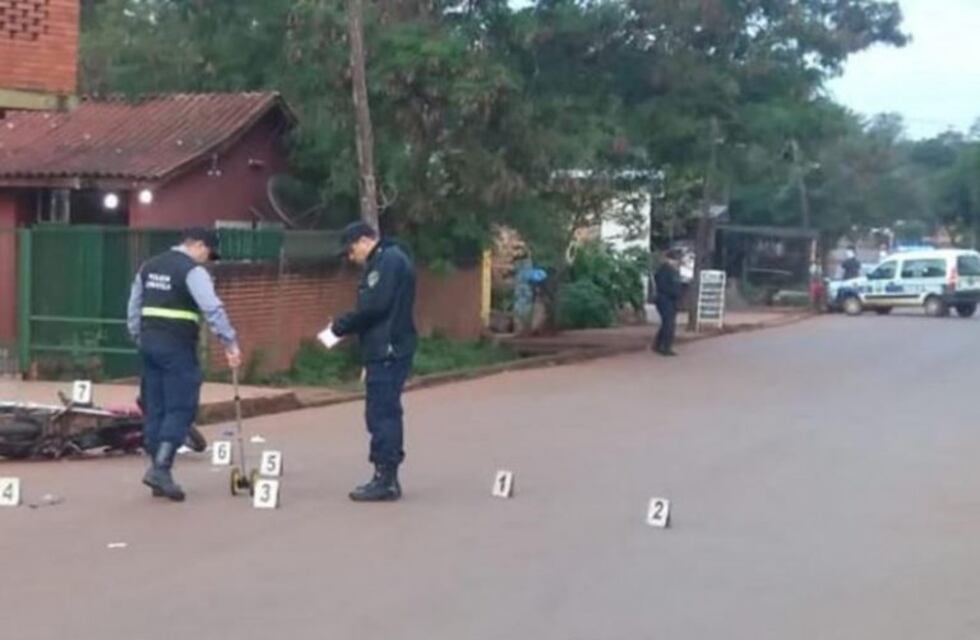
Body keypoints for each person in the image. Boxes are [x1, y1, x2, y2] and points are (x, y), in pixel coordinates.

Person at [127, 228, 241, 501]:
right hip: (177, 346)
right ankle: (162, 469)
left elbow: (134, 307)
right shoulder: (192, 271)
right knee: (181, 405)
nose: (207, 260)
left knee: (155, 407)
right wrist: (230, 342)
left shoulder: (149, 266)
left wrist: (138, 337)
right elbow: (212, 308)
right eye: (208, 255)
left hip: (150, 344)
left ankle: (156, 470)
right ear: (199, 246)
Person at [331, 222, 417, 502]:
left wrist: (344, 324)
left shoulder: (388, 260)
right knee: (378, 412)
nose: (350, 256)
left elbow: (377, 306)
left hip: (389, 348)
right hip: (381, 349)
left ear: (364, 240)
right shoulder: (384, 260)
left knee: (383, 413)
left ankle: (386, 479)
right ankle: (384, 475)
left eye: (351, 248)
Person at [652, 250, 682, 357]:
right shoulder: (664, 270)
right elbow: (663, 286)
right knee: (669, 323)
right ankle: (665, 347)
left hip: (671, 300)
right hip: (664, 299)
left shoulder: (674, 271)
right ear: (668, 259)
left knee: (667, 323)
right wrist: (674, 293)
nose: (676, 262)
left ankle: (658, 344)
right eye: (674, 260)